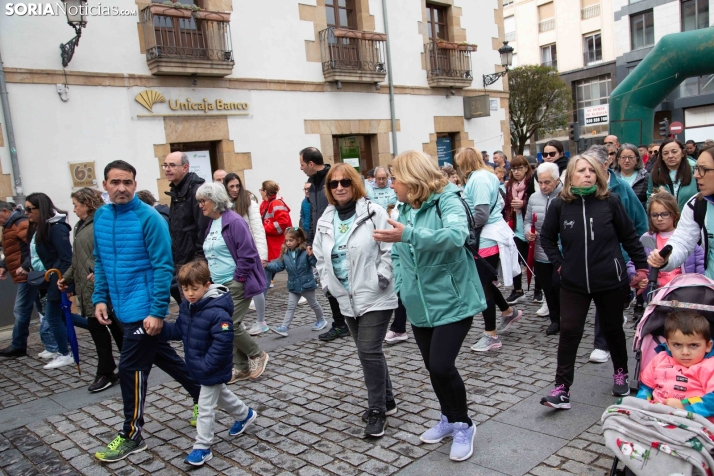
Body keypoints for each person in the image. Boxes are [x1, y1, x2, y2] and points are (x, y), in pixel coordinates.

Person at [374, 150, 485, 461]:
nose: (392, 184)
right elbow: (398, 252)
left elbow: (455, 236)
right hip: (419, 303)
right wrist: (402, 288)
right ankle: (448, 418)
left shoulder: (447, 199)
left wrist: (407, 234)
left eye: (397, 178)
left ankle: (464, 424)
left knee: (441, 365)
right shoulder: (407, 208)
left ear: (412, 179)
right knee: (433, 368)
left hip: (454, 300)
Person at [93, 160, 201, 463]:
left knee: (130, 369)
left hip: (143, 310)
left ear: (134, 184)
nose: (122, 188)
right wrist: (100, 298)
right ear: (105, 185)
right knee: (165, 358)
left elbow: (163, 268)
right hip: (121, 307)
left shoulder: (149, 218)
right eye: (115, 182)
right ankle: (203, 397)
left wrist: (156, 312)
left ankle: (132, 434)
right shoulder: (101, 217)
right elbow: (100, 262)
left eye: (127, 182)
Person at [539, 154, 648, 409]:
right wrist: (560, 264)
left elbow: (630, 236)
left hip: (610, 280)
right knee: (569, 332)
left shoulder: (610, 202)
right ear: (570, 177)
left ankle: (620, 371)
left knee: (612, 329)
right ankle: (562, 388)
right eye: (581, 170)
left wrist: (641, 268)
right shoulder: (559, 205)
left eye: (591, 170)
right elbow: (546, 239)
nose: (587, 174)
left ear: (597, 175)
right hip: (573, 282)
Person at [313, 163, 397, 438]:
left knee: (368, 350)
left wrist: (382, 276)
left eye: (345, 182)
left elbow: (390, 248)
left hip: (375, 293)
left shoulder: (374, 213)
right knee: (369, 351)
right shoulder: (325, 219)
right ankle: (388, 399)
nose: (339, 187)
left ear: (356, 184)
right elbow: (320, 256)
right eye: (334, 183)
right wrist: (327, 283)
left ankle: (377, 411)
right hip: (344, 297)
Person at [160, 260, 258, 467]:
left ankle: (202, 447)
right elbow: (180, 330)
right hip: (200, 366)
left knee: (204, 406)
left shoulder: (218, 312)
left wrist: (206, 366)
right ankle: (245, 414)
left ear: (206, 285)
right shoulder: (188, 306)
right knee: (221, 395)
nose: (189, 294)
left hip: (210, 367)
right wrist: (160, 329)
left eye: (194, 289)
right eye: (185, 289)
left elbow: (223, 343)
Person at [196, 182, 269, 382]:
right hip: (219, 285)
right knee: (228, 325)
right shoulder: (213, 222)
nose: (200, 205)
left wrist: (239, 278)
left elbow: (248, 253)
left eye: (203, 201)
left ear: (215, 200)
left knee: (229, 325)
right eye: (199, 201)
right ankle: (242, 367)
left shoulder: (234, 221)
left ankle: (257, 354)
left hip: (235, 283)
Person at [585, 144, 648, 363]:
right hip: (592, 257)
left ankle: (611, 333)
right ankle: (601, 344)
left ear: (606, 164)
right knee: (602, 300)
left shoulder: (621, 189)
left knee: (613, 299)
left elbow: (639, 224)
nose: (587, 173)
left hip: (619, 256)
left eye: (592, 168)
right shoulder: (581, 191)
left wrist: (635, 256)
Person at [454, 148, 521, 352]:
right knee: (485, 284)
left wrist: (458, 223)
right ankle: (508, 312)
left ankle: (491, 335)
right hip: (487, 236)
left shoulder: (479, 179)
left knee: (483, 286)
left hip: (487, 238)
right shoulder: (484, 177)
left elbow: (481, 215)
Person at [58, 188, 123, 392]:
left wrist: (101, 272)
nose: (75, 209)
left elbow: (111, 253)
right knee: (105, 328)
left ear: (86, 203)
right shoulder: (80, 226)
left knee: (113, 327)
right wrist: (66, 278)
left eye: (76, 205)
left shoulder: (100, 223)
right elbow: (78, 259)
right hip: (88, 287)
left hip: (101, 286)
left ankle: (110, 370)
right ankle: (116, 366)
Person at [300, 147, 350, 341]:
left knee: (343, 278)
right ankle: (340, 324)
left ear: (311, 164)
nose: (301, 168)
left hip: (337, 239)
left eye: (302, 164)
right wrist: (311, 240)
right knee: (327, 282)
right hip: (320, 241)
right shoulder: (312, 184)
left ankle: (351, 320)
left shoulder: (333, 181)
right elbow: (314, 214)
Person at [22, 193, 75, 370]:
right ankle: (99, 324)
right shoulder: (40, 227)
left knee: (53, 317)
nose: (27, 213)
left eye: (30, 209)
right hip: (49, 277)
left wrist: (61, 280)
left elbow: (66, 257)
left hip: (56, 279)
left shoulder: (57, 227)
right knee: (60, 316)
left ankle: (64, 353)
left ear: (41, 208)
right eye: (26, 209)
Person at [647, 145, 714, 277]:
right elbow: (682, 242)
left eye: (703, 170)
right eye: (696, 169)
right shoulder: (696, 205)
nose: (696, 175)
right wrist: (666, 258)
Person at [637, 311, 714, 421]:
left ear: (708, 346)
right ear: (668, 344)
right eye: (677, 345)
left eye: (693, 345)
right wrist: (642, 403)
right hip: (656, 414)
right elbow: (646, 388)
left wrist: (684, 405)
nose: (685, 352)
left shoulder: (709, 366)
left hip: (693, 419)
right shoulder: (660, 359)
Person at [224, 173, 269, 335]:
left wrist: (262, 254)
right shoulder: (224, 203)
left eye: (237, 186)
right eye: (231, 186)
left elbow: (257, 229)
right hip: (231, 252)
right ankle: (237, 322)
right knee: (235, 287)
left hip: (249, 250)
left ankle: (261, 321)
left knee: (255, 286)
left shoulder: (248, 200)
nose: (235, 189)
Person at [265, 227, 326, 336]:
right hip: (293, 285)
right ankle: (284, 327)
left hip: (307, 284)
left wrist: (315, 256)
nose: (288, 243)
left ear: (298, 240)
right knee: (290, 306)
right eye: (286, 240)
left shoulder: (305, 252)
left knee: (314, 304)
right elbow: (279, 266)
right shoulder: (285, 253)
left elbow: (315, 263)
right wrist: (267, 266)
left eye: (291, 240)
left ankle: (321, 319)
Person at [524, 162, 563, 334]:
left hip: (561, 251)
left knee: (559, 285)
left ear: (557, 180)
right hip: (540, 250)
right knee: (548, 287)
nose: (543, 186)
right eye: (540, 182)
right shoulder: (534, 197)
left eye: (547, 182)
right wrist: (527, 233)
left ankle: (567, 318)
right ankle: (555, 320)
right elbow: (527, 222)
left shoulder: (565, 196)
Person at [635, 192, 704, 287]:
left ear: (675, 215)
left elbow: (701, 264)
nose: (659, 218)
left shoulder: (686, 236)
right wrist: (638, 278)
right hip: (656, 293)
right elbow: (635, 262)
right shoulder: (646, 238)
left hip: (684, 292)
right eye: (655, 215)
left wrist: (700, 286)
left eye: (664, 214)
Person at [163, 151, 210, 288]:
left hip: (194, 263)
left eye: (172, 165)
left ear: (185, 167)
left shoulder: (196, 191)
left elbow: (203, 228)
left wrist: (199, 262)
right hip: (181, 260)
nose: (167, 169)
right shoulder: (176, 190)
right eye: (165, 165)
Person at [503, 155, 540, 305]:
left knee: (534, 260)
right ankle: (517, 290)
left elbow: (536, 202)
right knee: (515, 261)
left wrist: (523, 203)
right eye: (513, 169)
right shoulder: (509, 185)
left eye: (519, 168)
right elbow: (506, 206)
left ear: (526, 168)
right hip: (515, 227)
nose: (517, 172)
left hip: (530, 226)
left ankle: (538, 290)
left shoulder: (532, 183)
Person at [0, 200, 33, 358]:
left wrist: (26, 266)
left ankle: (18, 345)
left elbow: (34, 247)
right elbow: (11, 249)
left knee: (20, 309)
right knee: (50, 312)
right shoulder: (8, 226)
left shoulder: (19, 223)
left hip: (27, 274)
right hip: (23, 274)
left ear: (5, 211)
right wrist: (4, 265)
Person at [647, 138, 698, 211]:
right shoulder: (655, 173)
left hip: (692, 219)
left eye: (674, 152)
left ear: (683, 153)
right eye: (666, 153)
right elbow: (649, 199)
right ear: (661, 156)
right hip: (664, 219)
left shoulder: (694, 172)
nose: (670, 156)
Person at [259, 180, 292, 296]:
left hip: (277, 244)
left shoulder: (275, 203)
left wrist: (263, 228)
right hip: (271, 245)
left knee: (290, 269)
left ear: (266, 191)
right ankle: (260, 297)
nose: (260, 192)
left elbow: (283, 223)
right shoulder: (266, 203)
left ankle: (301, 294)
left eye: (261, 190)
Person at [614, 144, 649, 209]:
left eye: (631, 157)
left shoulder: (645, 177)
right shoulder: (611, 178)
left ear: (637, 160)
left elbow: (649, 200)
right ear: (618, 160)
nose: (627, 160)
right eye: (623, 157)